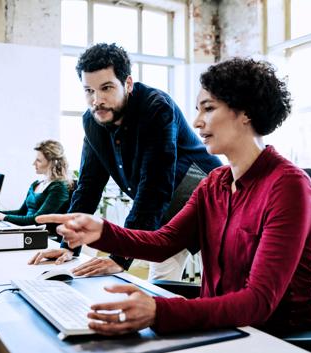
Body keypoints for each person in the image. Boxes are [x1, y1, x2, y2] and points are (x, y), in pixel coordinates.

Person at [36, 58, 311, 336]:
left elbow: (258, 302)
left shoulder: (288, 186)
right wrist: (100, 232)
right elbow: (164, 242)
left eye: (208, 109)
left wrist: (159, 311)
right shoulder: (215, 183)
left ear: (245, 112)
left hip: (272, 337)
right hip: (222, 328)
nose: (196, 122)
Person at [29, 43, 222, 280]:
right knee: (160, 289)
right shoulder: (93, 121)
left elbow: (154, 186)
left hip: (210, 203)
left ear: (128, 84)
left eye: (106, 88)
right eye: (88, 90)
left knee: (226, 284)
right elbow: (89, 185)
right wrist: (68, 246)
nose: (96, 100)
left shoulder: (155, 107)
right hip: (163, 216)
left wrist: (119, 257)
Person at [0, 140, 70, 226]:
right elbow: (22, 212)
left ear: (52, 163)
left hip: (42, 235)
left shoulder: (59, 188)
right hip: (27, 229)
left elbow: (36, 219)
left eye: (38, 160)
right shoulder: (36, 184)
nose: (33, 163)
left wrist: (3, 217)